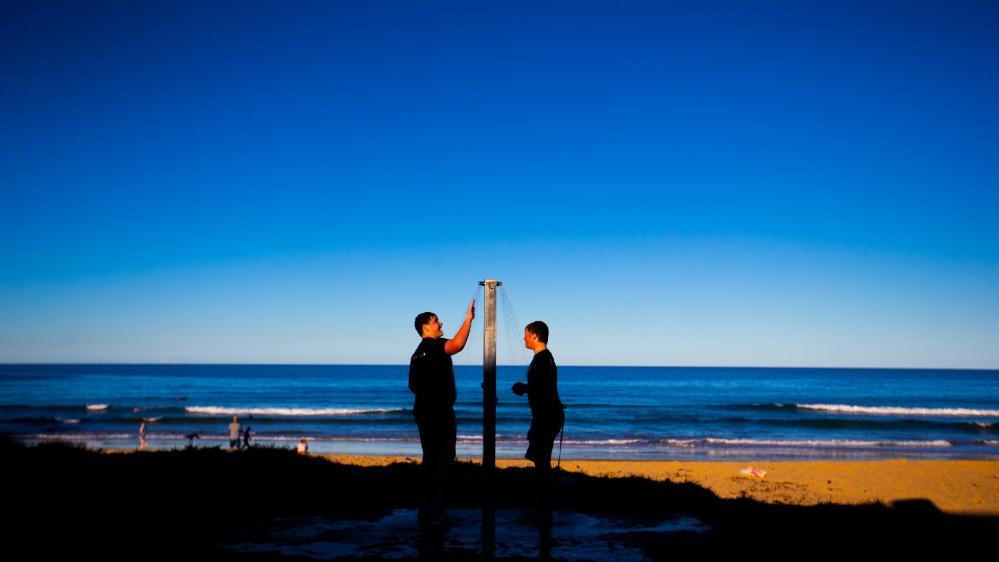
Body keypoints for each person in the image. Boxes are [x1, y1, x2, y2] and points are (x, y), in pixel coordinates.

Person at [408, 299, 475, 528]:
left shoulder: (416, 355)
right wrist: (468, 320)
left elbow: (413, 386)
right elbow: (457, 344)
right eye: (436, 321)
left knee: (430, 460)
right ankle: (436, 511)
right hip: (439, 414)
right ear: (426, 327)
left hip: (424, 413)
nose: (440, 323)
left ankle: (426, 510)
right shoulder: (434, 347)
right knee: (443, 461)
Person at [511, 321, 564, 515]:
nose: (523, 338)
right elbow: (544, 386)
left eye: (525, 334)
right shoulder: (544, 359)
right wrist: (526, 388)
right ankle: (543, 502)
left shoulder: (542, 359)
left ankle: (543, 505)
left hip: (546, 417)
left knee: (541, 460)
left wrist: (524, 388)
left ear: (534, 336)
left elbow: (543, 388)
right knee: (540, 458)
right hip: (547, 415)